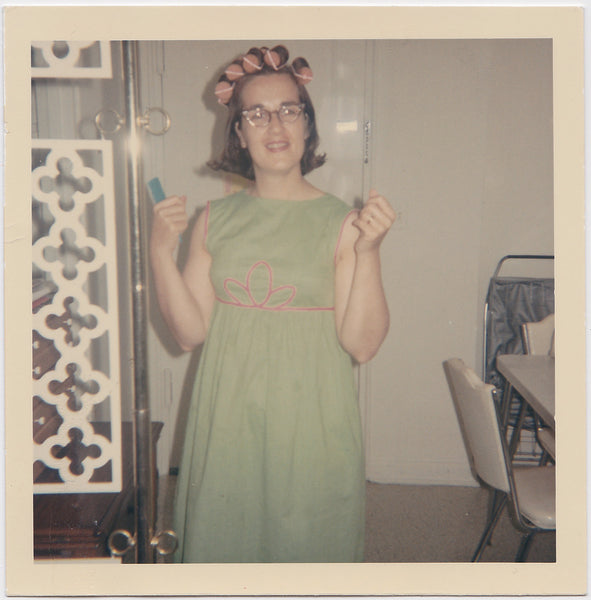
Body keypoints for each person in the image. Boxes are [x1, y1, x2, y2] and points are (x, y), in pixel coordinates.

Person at [149, 45, 396, 563]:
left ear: (308, 126)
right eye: (256, 114)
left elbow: (363, 344)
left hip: (312, 421)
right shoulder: (214, 219)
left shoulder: (344, 223)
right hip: (228, 420)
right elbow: (190, 332)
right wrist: (158, 253)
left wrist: (368, 252)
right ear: (238, 133)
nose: (274, 124)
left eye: (289, 109)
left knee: (306, 548)